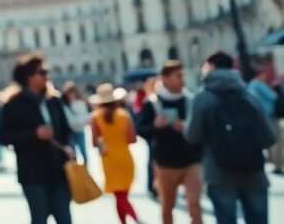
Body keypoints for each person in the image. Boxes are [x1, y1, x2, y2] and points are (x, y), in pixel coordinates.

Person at [185, 51, 277, 224]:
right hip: (253, 170)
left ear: (210, 67)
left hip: (218, 171)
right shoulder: (250, 96)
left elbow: (192, 136)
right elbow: (269, 137)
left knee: (226, 219)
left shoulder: (202, 98)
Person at [0, 54, 75, 224]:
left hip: (59, 171)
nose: (47, 76)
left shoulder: (53, 101)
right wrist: (34, 135)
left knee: (65, 217)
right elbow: (3, 136)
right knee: (39, 218)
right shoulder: (14, 104)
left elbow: (65, 131)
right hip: (33, 173)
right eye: (42, 72)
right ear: (30, 77)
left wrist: (69, 148)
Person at [136, 60, 203, 224]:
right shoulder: (152, 102)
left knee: (195, 205)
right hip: (166, 163)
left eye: (183, 75)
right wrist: (155, 126)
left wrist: (188, 127)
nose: (182, 80)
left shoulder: (190, 100)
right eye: (178, 76)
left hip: (191, 160)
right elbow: (141, 130)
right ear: (165, 78)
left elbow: (202, 128)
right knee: (167, 207)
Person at [89, 83, 138, 224]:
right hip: (125, 157)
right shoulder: (124, 115)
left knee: (119, 196)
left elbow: (94, 142)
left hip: (109, 159)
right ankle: (126, 221)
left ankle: (134, 219)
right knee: (123, 195)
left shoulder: (95, 117)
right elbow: (132, 139)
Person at [247, 67, 282, 175]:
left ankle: (274, 162)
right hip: (269, 115)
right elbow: (273, 96)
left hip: (261, 115)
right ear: (259, 74)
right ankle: (277, 164)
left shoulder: (250, 86)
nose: (265, 76)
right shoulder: (258, 84)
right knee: (276, 140)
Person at [62, 82, 92, 167]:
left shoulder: (80, 103)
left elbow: (86, 118)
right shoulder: (65, 105)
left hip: (80, 131)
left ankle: (85, 170)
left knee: (83, 152)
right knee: (73, 154)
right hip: (71, 132)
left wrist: (77, 121)